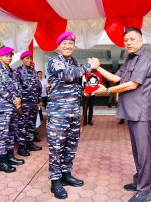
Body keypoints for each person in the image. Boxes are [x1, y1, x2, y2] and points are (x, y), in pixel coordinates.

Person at [92, 27, 151, 202]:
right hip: (132, 111)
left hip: (141, 111)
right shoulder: (130, 59)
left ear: (141, 40)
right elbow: (116, 78)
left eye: (132, 39)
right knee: (137, 150)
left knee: (143, 152)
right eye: (126, 40)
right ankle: (139, 181)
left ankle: (145, 190)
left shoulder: (146, 58)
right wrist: (98, 68)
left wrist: (107, 91)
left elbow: (133, 84)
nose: (128, 42)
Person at [46, 31, 91, 199]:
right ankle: (55, 181)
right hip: (58, 114)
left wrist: (84, 91)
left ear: (74, 46)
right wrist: (87, 67)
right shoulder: (54, 61)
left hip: (73, 113)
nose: (67, 46)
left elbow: (76, 83)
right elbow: (66, 76)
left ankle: (66, 174)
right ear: (58, 46)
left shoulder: (75, 62)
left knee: (71, 146)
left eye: (70, 43)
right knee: (56, 148)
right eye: (64, 43)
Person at [0, 46, 24, 173]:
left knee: (11, 133)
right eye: (6, 56)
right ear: (0, 57)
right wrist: (14, 99)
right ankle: (2, 161)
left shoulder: (12, 71)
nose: (9, 57)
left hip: (13, 107)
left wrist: (19, 98)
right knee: (3, 135)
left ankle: (10, 156)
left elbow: (18, 87)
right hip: (4, 108)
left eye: (10, 55)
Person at [13, 51, 42, 157]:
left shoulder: (33, 71)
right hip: (24, 104)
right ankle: (21, 147)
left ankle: (30, 144)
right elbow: (16, 89)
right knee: (22, 126)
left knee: (31, 125)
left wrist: (39, 99)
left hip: (33, 103)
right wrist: (19, 104)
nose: (29, 60)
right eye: (26, 59)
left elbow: (38, 86)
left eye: (30, 58)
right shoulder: (18, 72)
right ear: (22, 60)